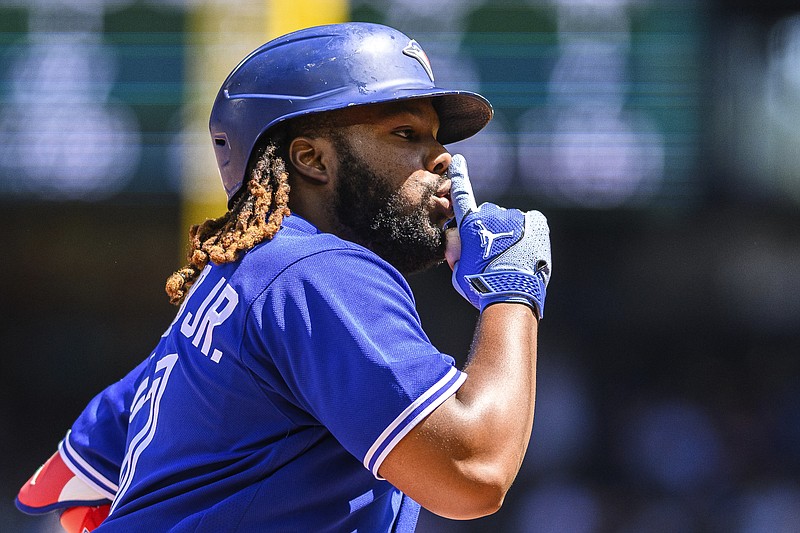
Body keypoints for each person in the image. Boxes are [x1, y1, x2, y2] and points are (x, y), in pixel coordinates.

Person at [15, 22, 551, 532]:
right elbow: (472, 472)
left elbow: (76, 464)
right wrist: (511, 290)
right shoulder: (319, 271)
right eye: (406, 133)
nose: (441, 161)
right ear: (311, 159)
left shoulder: (244, 276)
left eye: (437, 140)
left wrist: (98, 459)